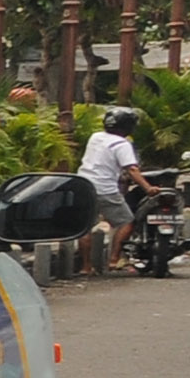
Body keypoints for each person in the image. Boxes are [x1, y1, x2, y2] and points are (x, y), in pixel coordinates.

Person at [80, 104, 151, 271]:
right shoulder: (121, 144)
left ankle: (86, 267)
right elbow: (132, 169)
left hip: (84, 185)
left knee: (85, 227)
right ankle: (114, 259)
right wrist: (148, 188)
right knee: (127, 221)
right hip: (105, 189)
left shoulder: (95, 137)